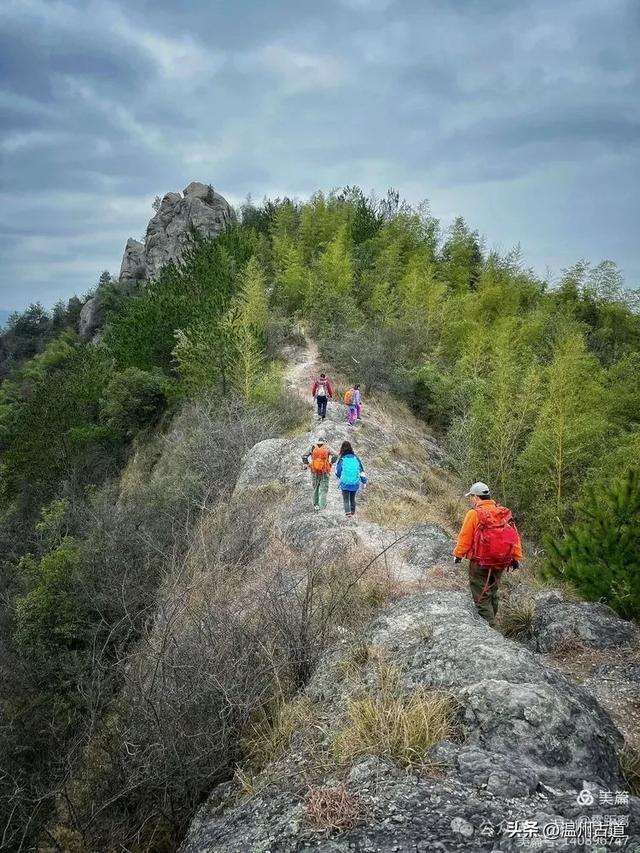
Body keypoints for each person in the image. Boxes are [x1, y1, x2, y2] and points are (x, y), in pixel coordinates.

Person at [453, 481, 522, 627]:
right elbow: (513, 536)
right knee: (493, 592)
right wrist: (515, 557)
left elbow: (465, 537)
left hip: (480, 563)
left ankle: (489, 628)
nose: (471, 500)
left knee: (481, 596)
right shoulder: (502, 513)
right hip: (501, 561)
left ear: (476, 497)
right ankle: (492, 620)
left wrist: (458, 555)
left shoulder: (474, 514)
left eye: (471, 497)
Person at [302, 436, 336, 510]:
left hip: (314, 471)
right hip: (325, 472)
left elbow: (304, 456)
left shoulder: (312, 447)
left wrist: (308, 464)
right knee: (323, 490)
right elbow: (335, 455)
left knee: (315, 488)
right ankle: (322, 507)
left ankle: (316, 505)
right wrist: (331, 463)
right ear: (324, 442)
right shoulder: (327, 447)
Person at [336, 440, 365, 517]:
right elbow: (361, 470)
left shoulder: (342, 459)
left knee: (346, 499)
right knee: (352, 498)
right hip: (355, 482)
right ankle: (352, 513)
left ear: (342, 449)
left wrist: (340, 477)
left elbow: (338, 472)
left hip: (345, 482)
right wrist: (364, 482)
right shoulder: (356, 458)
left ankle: (348, 514)